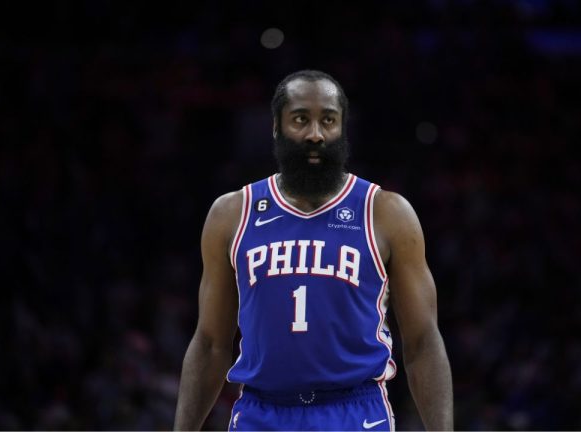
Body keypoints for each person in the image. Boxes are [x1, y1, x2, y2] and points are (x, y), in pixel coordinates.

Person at [174, 70, 453, 431]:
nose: (315, 134)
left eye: (329, 121)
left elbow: (423, 341)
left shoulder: (386, 212)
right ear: (276, 126)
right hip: (261, 412)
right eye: (301, 119)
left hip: (355, 411)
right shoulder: (232, 214)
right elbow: (211, 343)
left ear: (343, 128)